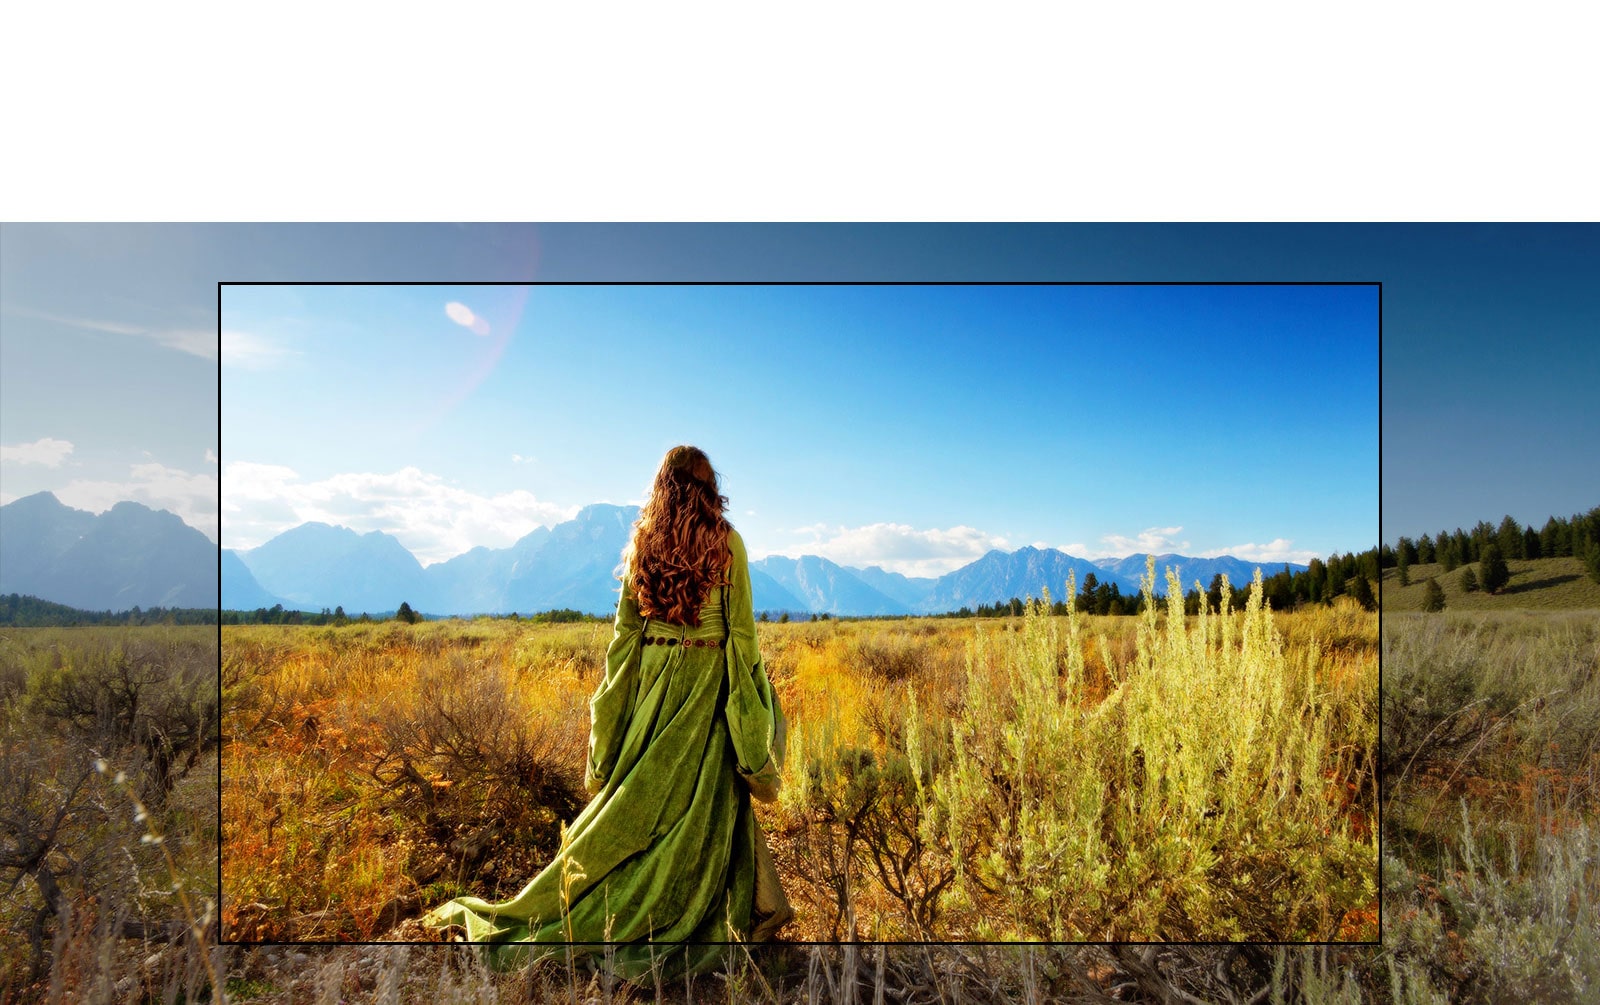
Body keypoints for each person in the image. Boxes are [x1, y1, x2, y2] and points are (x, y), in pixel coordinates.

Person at [421, 445, 790, 976]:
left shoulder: (644, 542)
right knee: (700, 810)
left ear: (663, 486)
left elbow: (624, 641)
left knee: (633, 805)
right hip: (706, 689)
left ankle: (592, 903)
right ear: (711, 487)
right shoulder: (728, 543)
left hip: (652, 693)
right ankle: (682, 909)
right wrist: (754, 709)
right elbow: (741, 636)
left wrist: (614, 722)